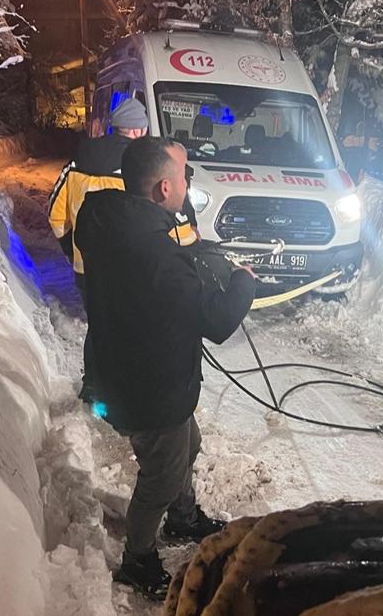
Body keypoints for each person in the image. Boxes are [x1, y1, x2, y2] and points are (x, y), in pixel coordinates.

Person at [75, 137, 256, 598]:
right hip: (152, 388)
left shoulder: (108, 221)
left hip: (128, 370)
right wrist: (242, 283)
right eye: (182, 175)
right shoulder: (157, 257)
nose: (186, 182)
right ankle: (138, 557)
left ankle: (184, 516)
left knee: (186, 446)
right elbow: (216, 321)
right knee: (160, 476)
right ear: (161, 189)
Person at [48, 99, 199, 401]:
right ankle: (128, 393)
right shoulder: (142, 169)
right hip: (136, 268)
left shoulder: (78, 161)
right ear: (140, 130)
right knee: (134, 329)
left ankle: (93, 387)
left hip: (88, 267)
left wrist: (73, 250)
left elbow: (55, 215)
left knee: (100, 325)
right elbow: (170, 223)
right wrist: (192, 237)